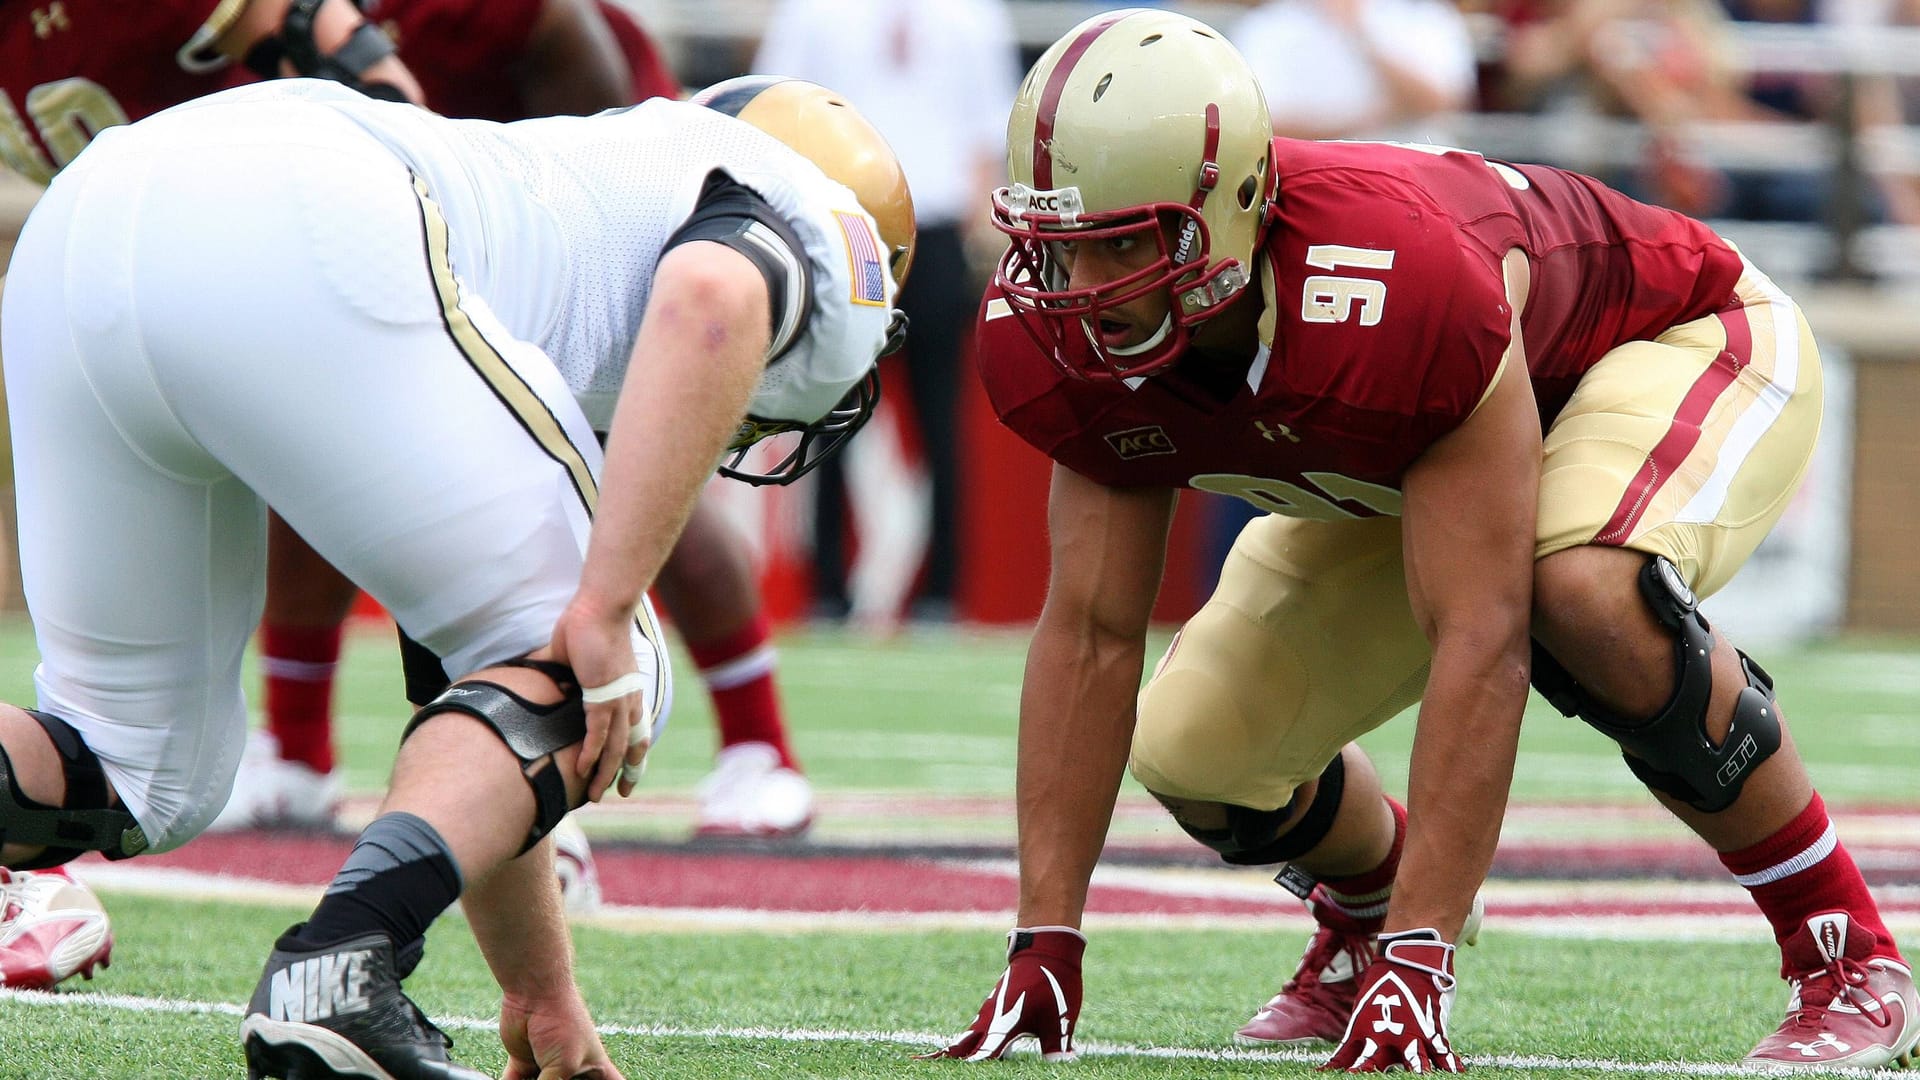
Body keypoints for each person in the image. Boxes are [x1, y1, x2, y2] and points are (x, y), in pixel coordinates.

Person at [926, 8, 1915, 1072]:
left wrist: (1424, 963)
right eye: (1060, 247)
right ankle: (1363, 907)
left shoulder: (1390, 279)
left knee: (1575, 592)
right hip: (1436, 445)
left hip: (1671, 338)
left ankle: (1845, 950)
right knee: (1199, 748)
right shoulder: (1061, 332)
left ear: (1235, 205)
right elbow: (1090, 635)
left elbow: (1481, 638)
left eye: (1122, 242)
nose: (1081, 291)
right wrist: (1046, 939)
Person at [0, 71, 911, 1080]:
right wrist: (608, 603)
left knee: (133, 765)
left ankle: (351, 961)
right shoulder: (806, 209)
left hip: (88, 215)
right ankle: (336, 974)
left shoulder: (560, 214)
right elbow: (713, 293)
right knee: (605, 660)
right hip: (294, 213)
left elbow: (479, 715)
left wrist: (539, 991)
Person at [218, 0, 824, 842]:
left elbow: (595, 153)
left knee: (629, 472)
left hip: (587, 236)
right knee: (318, 446)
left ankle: (762, 750)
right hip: (411, 236)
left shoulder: (516, 18)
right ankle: (295, 752)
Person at [0, 0, 427, 990]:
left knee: (140, 770)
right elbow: (328, 36)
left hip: (80, 299)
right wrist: (417, 187)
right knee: (479, 570)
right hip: (247, 275)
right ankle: (514, 822)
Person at [753, 0, 1021, 628]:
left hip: (937, 226)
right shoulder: (813, 13)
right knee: (829, 413)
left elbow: (986, 132)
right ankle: (827, 590)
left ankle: (941, 595)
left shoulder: (973, 16)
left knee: (938, 424)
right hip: (837, 226)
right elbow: (773, 114)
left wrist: (983, 232)